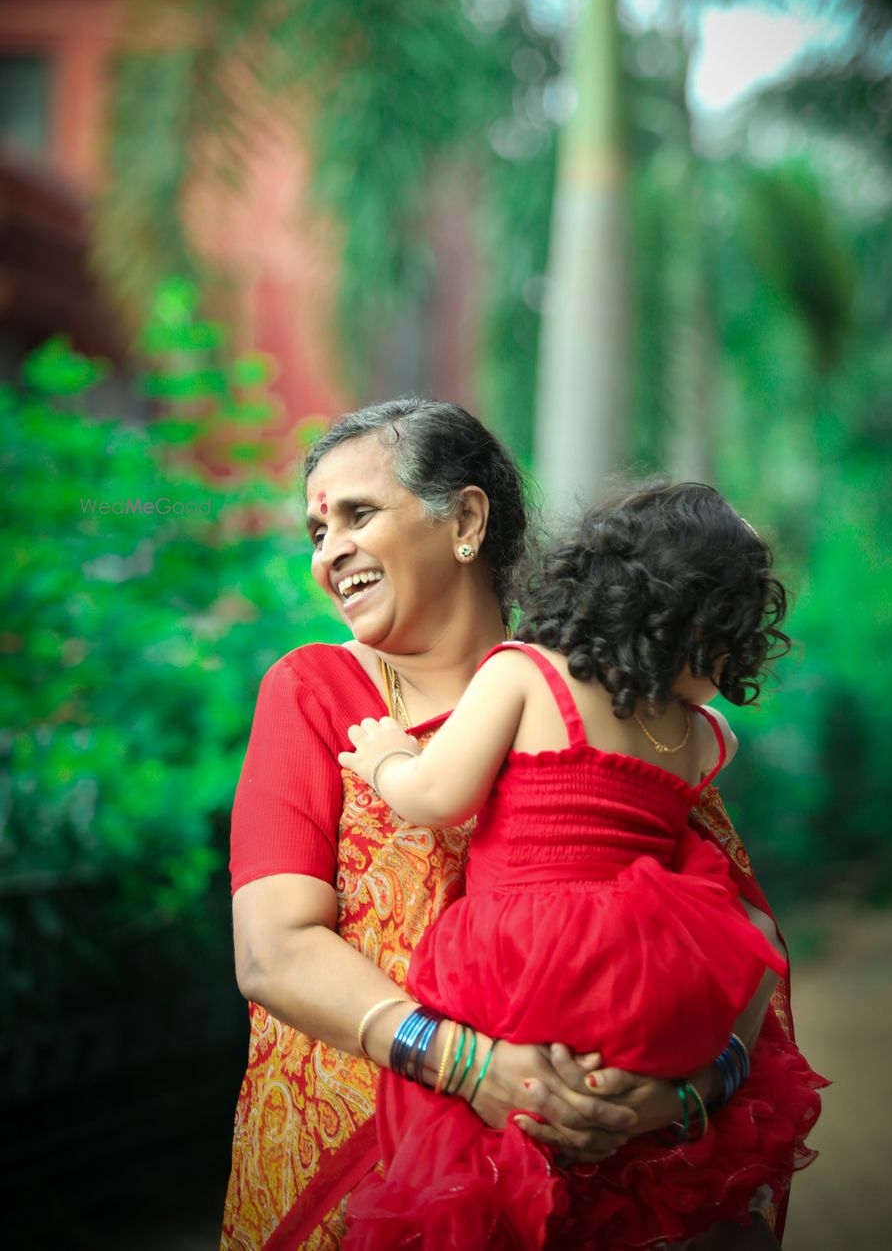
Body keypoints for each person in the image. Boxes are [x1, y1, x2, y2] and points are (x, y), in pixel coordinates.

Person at [222, 399, 809, 1249]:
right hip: (381, 1179)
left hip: (610, 1183)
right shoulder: (318, 693)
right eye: (317, 531)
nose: (330, 552)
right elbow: (271, 951)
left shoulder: (606, 691)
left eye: (358, 515)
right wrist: (473, 1069)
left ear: (464, 519)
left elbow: (736, 935)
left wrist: (681, 1094)